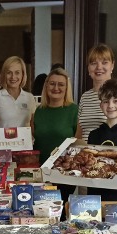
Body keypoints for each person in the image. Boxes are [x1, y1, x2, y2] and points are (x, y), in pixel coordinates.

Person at [77, 44, 117, 141]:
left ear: (112, 65)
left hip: (112, 151)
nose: (99, 67)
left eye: (104, 62)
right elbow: (79, 133)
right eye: (93, 63)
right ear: (88, 68)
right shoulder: (85, 97)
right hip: (87, 153)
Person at [31, 67, 77, 201]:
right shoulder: (38, 111)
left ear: (66, 87)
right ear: (46, 86)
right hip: (42, 172)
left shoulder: (74, 111)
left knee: (62, 214)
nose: (56, 87)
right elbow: (33, 140)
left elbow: (78, 143)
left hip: (65, 173)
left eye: (61, 84)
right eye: (52, 83)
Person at [0, 56, 36, 128]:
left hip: (25, 139)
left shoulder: (29, 97)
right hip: (1, 139)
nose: (13, 77)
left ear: (23, 75)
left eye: (17, 73)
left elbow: (33, 126)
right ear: (4, 75)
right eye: (9, 73)